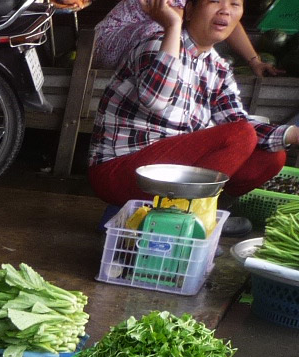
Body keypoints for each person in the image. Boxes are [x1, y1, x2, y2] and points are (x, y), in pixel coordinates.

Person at [89, 0, 299, 208]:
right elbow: (155, 100)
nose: (225, 10)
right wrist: (173, 26)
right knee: (240, 135)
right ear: (189, 10)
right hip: (120, 170)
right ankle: (186, 211)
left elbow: (237, 120)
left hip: (171, 172)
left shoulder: (219, 68)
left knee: (272, 155)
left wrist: (292, 134)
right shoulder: (158, 44)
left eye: (235, 4)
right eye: (214, 1)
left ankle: (208, 210)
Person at [93, 0, 281, 75]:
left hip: (148, 47)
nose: (227, 9)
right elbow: (172, 19)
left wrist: (254, 61)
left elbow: (228, 21)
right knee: (169, 29)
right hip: (106, 43)